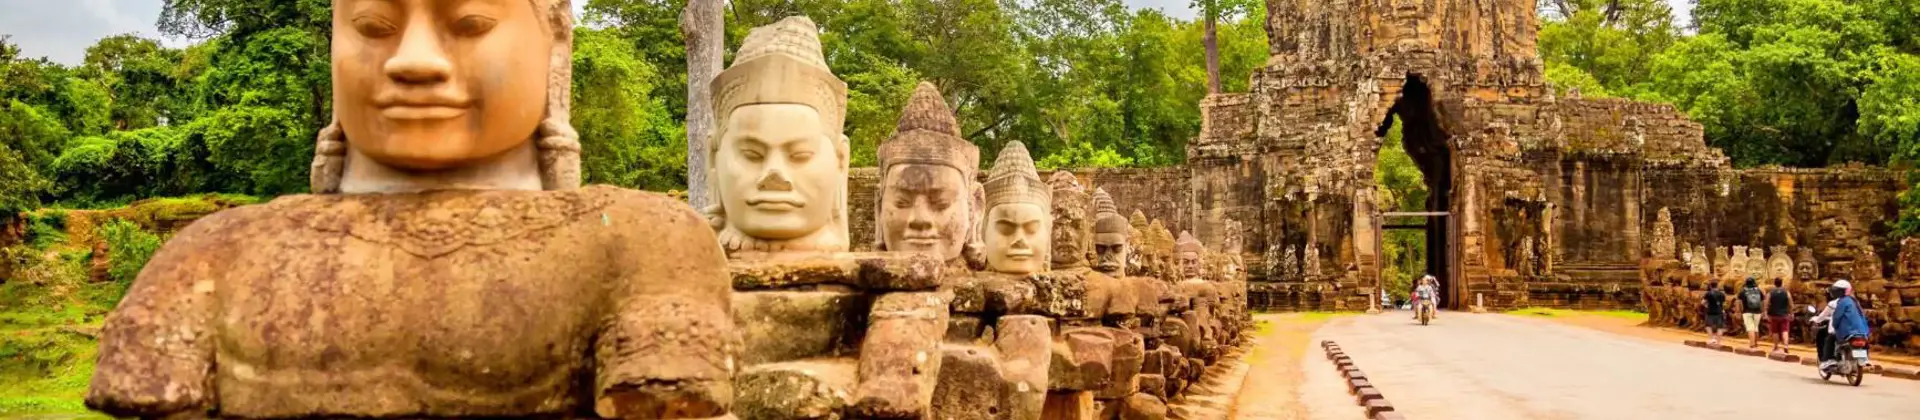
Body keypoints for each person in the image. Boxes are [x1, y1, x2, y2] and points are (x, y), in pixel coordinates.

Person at [1765, 277, 1793, 353]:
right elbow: (1790, 303)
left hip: (1774, 315)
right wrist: (1791, 313)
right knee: (1785, 331)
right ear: (1782, 283)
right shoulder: (1786, 292)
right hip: (1784, 315)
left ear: (1774, 283)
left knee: (1775, 331)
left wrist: (1766, 313)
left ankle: (1776, 346)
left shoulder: (1770, 293)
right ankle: (1786, 346)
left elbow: (1766, 303)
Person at [1739, 277, 1765, 349]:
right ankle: (1756, 344)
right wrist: (1763, 311)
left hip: (1747, 311)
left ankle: (1752, 344)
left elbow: (1740, 302)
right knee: (1756, 328)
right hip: (1757, 311)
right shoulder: (1758, 290)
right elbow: (1762, 301)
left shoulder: (1743, 291)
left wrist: (1741, 311)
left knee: (1750, 328)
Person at [1704, 280, 1727, 345]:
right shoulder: (1722, 294)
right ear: (1717, 286)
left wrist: (1706, 305)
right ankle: (1718, 342)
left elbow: (1703, 302)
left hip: (1710, 312)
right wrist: (1723, 309)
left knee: (1708, 326)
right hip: (1719, 312)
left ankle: (1712, 339)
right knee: (1720, 327)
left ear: (1710, 286)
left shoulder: (1708, 293)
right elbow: (1724, 304)